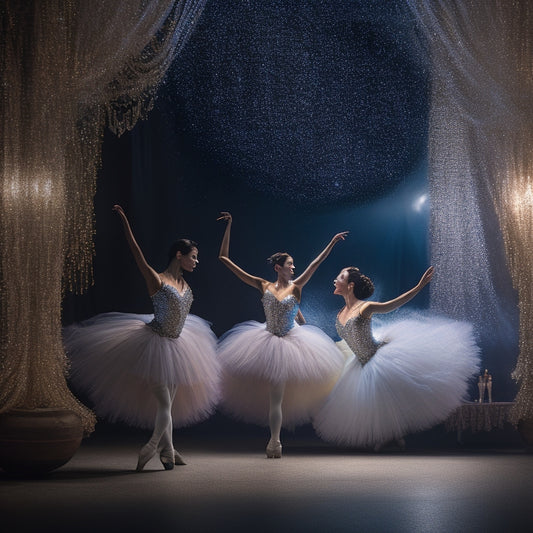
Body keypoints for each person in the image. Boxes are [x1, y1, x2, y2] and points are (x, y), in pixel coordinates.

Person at [63, 205, 220, 471]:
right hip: (156, 344)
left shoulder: (186, 285)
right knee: (164, 403)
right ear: (179, 255)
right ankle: (152, 446)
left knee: (168, 403)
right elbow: (136, 251)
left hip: (181, 344)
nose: (196, 262)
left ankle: (168, 451)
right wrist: (125, 222)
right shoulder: (156, 279)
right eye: (193, 257)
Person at [216, 211, 347, 458]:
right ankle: (275, 440)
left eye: (293, 265)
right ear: (278, 268)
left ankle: (276, 440)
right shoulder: (262, 284)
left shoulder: (297, 286)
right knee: (275, 396)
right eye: (290, 264)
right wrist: (230, 225)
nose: (293, 267)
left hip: (291, 341)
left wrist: (331, 242)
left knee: (283, 394)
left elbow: (315, 264)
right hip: (266, 339)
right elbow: (224, 258)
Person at [312, 266, 480, 450]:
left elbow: (393, 305)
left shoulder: (365, 307)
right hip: (359, 363)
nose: (335, 280)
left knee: (385, 397)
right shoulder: (340, 313)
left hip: (377, 357)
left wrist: (419, 286)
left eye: (340, 277)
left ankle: (392, 435)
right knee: (373, 400)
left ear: (350, 285)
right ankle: (394, 436)